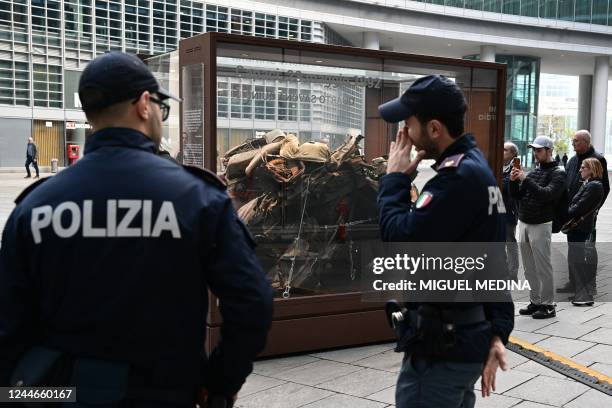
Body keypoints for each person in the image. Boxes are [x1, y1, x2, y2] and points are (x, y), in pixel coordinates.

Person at [0, 51, 273, 406]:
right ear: (145, 104)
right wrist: (220, 382)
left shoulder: (36, 205)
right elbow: (252, 303)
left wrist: (23, 393)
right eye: (161, 104)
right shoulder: (197, 197)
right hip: (164, 392)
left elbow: (8, 323)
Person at [377, 75, 514, 408]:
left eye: (408, 124)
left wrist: (394, 180)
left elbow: (400, 240)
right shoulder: (475, 166)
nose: (404, 135)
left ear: (434, 129)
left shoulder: (455, 181)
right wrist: (498, 330)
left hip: (441, 351)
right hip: (463, 340)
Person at [510, 136, 566, 319]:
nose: (535, 153)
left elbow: (546, 195)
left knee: (543, 267)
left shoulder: (559, 173)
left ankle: (548, 305)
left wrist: (525, 180)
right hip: (524, 222)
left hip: (541, 224)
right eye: (534, 150)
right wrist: (513, 181)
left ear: (549, 151)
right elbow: (517, 196)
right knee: (528, 268)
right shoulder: (534, 172)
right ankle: (535, 302)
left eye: (539, 150)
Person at [557, 129, 609, 295]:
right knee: (573, 249)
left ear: (586, 142)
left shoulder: (597, 159)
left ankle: (589, 285)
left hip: (585, 215)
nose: (573, 143)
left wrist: (593, 211)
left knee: (587, 249)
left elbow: (604, 188)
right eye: (573, 141)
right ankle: (574, 282)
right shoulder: (572, 160)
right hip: (572, 213)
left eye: (576, 141)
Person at [565, 158, 604, 306]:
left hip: (580, 227)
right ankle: (580, 293)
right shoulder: (589, 184)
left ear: (592, 169)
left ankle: (585, 295)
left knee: (578, 261)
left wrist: (565, 213)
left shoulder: (594, 186)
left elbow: (578, 206)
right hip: (577, 227)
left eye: (583, 168)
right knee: (576, 260)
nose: (580, 170)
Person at [502, 142, 519, 281]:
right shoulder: (497, 165)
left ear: (513, 154)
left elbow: (507, 186)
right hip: (495, 211)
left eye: (505, 150)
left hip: (509, 211)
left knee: (510, 242)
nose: (502, 151)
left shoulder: (516, 168)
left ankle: (512, 274)